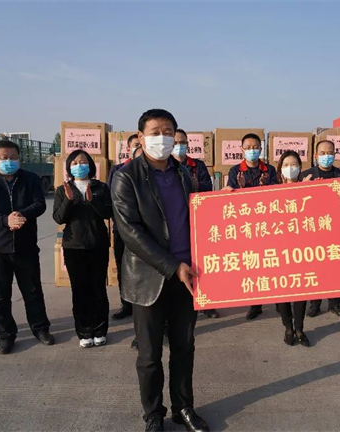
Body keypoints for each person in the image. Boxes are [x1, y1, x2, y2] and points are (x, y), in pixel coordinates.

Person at [111, 109, 209, 432]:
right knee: (149, 355)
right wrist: (171, 266)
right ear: (141, 137)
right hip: (148, 278)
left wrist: (223, 204)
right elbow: (130, 233)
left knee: (184, 347)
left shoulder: (183, 175)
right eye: (155, 132)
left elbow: (198, 214)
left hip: (187, 276)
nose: (163, 138)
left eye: (168, 132)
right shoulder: (126, 177)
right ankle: (153, 414)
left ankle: (183, 408)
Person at [0, 140, 54, 355]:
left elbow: (39, 204)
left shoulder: (30, 179)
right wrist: (5, 220)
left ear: (20, 160)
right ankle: (5, 336)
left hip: (25, 244)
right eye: (4, 158)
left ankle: (40, 329)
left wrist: (21, 215)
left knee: (32, 290)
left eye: (13, 158)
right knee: (0, 294)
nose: (9, 161)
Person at [53, 150, 113, 348]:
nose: (79, 165)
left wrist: (92, 200)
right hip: (74, 246)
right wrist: (69, 200)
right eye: (75, 162)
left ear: (90, 165)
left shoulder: (101, 187)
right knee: (79, 290)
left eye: (83, 161)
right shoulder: (63, 190)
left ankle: (100, 330)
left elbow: (108, 212)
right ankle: (84, 331)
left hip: (98, 244)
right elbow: (59, 218)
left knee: (98, 288)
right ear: (69, 167)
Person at [226, 133, 277, 320]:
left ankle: (279, 300)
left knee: (271, 262)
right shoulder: (235, 171)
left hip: (266, 224)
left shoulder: (269, 170)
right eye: (248, 148)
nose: (252, 151)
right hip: (245, 225)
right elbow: (230, 195)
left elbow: (276, 193)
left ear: (261, 149)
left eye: (255, 147)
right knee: (252, 265)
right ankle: (256, 304)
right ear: (242, 150)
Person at [172, 129, 219, 319]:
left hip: (198, 222)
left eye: (182, 143)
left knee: (201, 263)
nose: (179, 146)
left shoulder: (197, 166)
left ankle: (207, 303)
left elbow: (207, 190)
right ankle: (182, 305)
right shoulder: (165, 167)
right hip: (176, 223)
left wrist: (196, 187)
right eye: (175, 143)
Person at [302, 139, 340, 319]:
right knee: (314, 268)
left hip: (334, 229)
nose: (326, 156)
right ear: (316, 155)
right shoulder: (306, 176)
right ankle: (314, 303)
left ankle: (335, 303)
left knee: (335, 267)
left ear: (334, 155)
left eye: (330, 153)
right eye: (323, 153)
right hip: (312, 230)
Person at [273, 150, 312, 347]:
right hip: (278, 251)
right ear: (280, 170)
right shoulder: (272, 192)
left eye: (294, 165)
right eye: (286, 165)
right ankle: (288, 327)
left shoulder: (308, 189)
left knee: (300, 293)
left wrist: (312, 189)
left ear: (300, 168)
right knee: (282, 293)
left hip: (301, 250)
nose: (290, 168)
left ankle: (299, 328)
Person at [109, 134, 142, 323]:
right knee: (124, 267)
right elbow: (112, 199)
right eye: (135, 145)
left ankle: (143, 306)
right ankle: (126, 305)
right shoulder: (118, 170)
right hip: (122, 229)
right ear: (128, 149)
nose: (139, 148)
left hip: (146, 230)